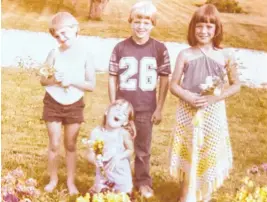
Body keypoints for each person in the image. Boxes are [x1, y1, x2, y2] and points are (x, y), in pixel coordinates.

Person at [169, 4, 241, 202]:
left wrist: (214, 97)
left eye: (209, 27)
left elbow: (236, 85)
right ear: (193, 28)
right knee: (190, 149)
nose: (204, 31)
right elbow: (173, 85)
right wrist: (188, 96)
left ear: (217, 29)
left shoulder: (226, 55)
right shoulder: (186, 54)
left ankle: (204, 192)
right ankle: (186, 193)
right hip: (188, 110)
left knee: (208, 149)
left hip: (213, 112)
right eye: (199, 26)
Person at [108, 1, 171, 198]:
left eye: (146, 22)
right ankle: (118, 179)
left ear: (153, 24)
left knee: (142, 148)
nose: (141, 26)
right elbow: (112, 77)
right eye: (137, 21)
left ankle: (143, 181)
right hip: (123, 109)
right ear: (130, 21)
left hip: (146, 108)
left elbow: (164, 79)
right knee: (119, 145)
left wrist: (159, 107)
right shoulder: (120, 48)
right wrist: (113, 105)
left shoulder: (159, 49)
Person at [40, 12, 96, 195]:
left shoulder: (86, 54)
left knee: (71, 144)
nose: (61, 38)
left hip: (74, 103)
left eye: (65, 33)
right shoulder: (53, 53)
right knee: (54, 143)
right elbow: (42, 79)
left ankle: (71, 181)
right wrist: (54, 79)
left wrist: (71, 80)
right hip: (53, 103)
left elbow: (91, 85)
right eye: (57, 36)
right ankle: (53, 179)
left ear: (76, 29)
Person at [87, 99, 135, 194]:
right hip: (103, 177)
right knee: (101, 197)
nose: (120, 114)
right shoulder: (96, 132)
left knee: (122, 198)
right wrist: (95, 160)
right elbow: (89, 153)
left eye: (124, 114)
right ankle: (97, 190)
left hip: (121, 177)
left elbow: (131, 150)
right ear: (106, 112)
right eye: (117, 110)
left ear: (125, 122)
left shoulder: (123, 134)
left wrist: (119, 157)